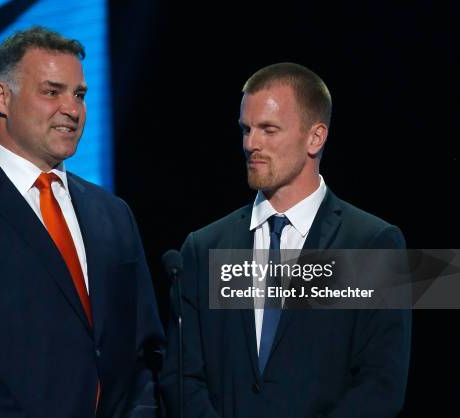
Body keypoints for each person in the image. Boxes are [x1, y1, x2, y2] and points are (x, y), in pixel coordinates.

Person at [0, 26, 164, 418]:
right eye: (52, 92)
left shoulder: (112, 213)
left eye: (80, 95)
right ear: (1, 98)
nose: (72, 109)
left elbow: (146, 351)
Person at [160, 63, 411, 418]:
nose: (251, 144)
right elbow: (182, 378)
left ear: (315, 137)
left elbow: (380, 384)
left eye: (268, 129)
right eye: (246, 129)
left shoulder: (370, 243)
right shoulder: (204, 249)